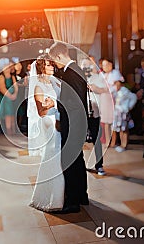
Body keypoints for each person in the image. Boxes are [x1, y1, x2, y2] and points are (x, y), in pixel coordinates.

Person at [49, 42, 88, 213]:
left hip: (73, 123)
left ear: (59, 56)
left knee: (69, 161)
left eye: (54, 61)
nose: (55, 65)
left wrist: (56, 103)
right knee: (77, 159)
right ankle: (81, 195)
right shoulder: (75, 70)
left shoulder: (71, 72)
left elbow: (75, 101)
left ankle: (73, 202)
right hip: (77, 122)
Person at [29, 56, 64, 212]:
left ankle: (62, 193)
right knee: (52, 154)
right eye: (49, 65)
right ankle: (51, 197)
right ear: (42, 68)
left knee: (61, 155)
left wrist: (56, 104)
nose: (52, 67)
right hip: (49, 121)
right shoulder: (38, 87)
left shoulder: (55, 82)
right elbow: (41, 112)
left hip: (58, 118)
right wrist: (51, 105)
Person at [0, 63, 18, 135]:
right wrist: (10, 96)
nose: (7, 69)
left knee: (13, 114)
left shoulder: (12, 76)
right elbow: (2, 88)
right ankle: (9, 131)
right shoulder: (1, 76)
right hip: (6, 98)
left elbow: (16, 86)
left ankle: (14, 130)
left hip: (13, 98)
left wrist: (15, 94)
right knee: (8, 114)